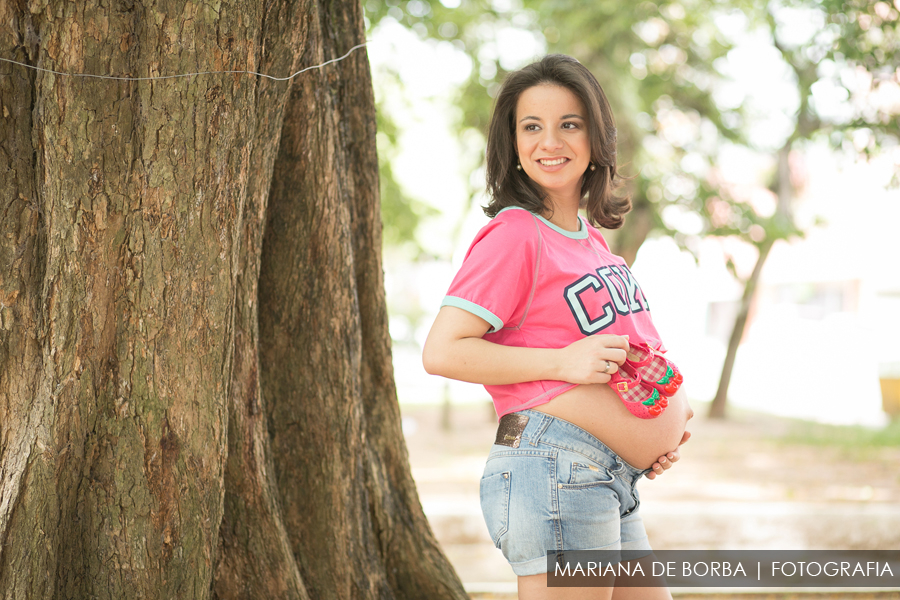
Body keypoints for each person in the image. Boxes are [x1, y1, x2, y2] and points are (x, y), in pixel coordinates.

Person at [422, 54, 694, 599]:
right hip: (557, 471)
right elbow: (442, 350)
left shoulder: (592, 243)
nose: (551, 141)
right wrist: (563, 362)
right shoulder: (516, 233)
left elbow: (633, 359)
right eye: (532, 127)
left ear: (596, 137)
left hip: (609, 477)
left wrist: (662, 424)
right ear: (513, 144)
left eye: (569, 124)